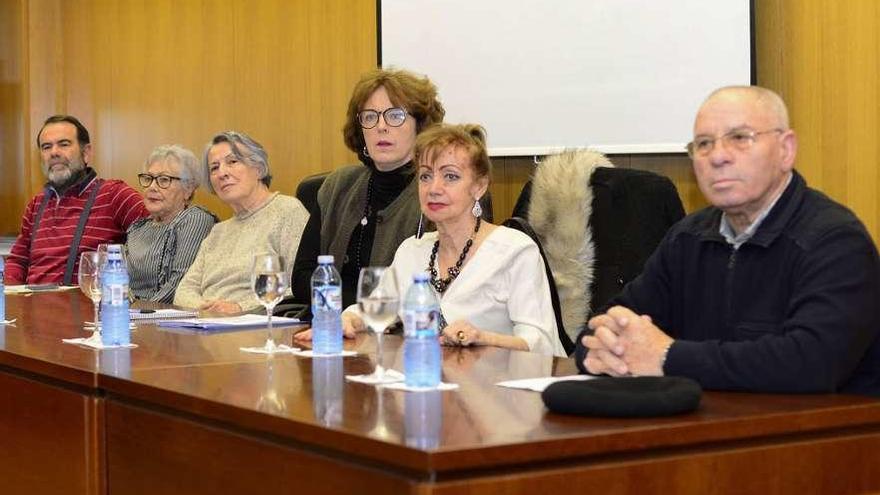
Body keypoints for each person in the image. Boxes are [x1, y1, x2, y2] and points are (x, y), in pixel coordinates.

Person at [578, 86, 880, 395]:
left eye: (740, 138)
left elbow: (811, 363)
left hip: (822, 435)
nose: (718, 157)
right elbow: (601, 327)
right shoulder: (688, 238)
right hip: (709, 428)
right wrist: (606, 348)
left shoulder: (834, 241)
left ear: (786, 150)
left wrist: (668, 357)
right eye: (704, 144)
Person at [298, 124, 566, 357]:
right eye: (426, 176)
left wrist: (484, 338)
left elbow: (541, 345)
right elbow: (376, 309)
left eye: (450, 176)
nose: (434, 188)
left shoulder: (514, 251)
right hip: (428, 383)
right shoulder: (412, 250)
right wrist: (347, 319)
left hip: (500, 399)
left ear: (479, 186)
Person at [290, 68, 445, 308]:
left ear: (421, 126)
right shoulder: (337, 186)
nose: (381, 126)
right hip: (330, 328)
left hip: (400, 332)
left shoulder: (436, 192)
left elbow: (438, 288)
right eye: (370, 117)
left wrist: (360, 312)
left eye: (395, 115)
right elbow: (302, 277)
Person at [174, 131, 309, 314]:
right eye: (214, 168)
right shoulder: (218, 231)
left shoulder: (287, 211)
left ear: (259, 169)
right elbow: (184, 291)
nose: (222, 173)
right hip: (207, 325)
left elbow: (300, 286)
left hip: (257, 326)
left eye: (232, 162)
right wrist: (206, 309)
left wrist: (239, 307)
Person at [4, 115, 148, 285]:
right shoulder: (36, 205)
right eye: (46, 147)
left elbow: (155, 241)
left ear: (86, 153)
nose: (54, 152)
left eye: (64, 144)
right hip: (30, 308)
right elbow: (18, 262)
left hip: (88, 308)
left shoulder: (115, 195)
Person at [126, 144, 216, 303]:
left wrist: (142, 313)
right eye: (148, 178)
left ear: (188, 189)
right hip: (132, 316)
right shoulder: (138, 228)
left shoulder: (195, 219)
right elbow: (119, 281)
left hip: (164, 317)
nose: (152, 187)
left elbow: (180, 282)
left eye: (164, 180)